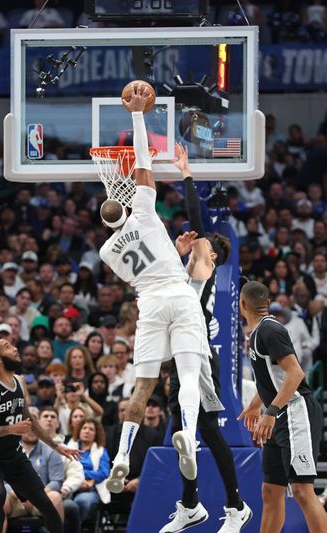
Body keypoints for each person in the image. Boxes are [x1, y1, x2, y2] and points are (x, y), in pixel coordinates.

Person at [100, 85, 218, 494]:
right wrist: (137, 114)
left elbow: (142, 259)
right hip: (179, 294)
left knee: (143, 386)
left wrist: (171, 249)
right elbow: (144, 162)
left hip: (148, 302)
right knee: (186, 373)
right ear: (127, 203)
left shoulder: (105, 251)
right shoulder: (145, 209)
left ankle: (120, 456)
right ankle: (187, 431)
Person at [160, 143, 251, 533]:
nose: (195, 241)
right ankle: (197, 504)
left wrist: (186, 175)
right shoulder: (186, 268)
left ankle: (231, 506)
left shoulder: (205, 268)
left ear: (212, 255)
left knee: (203, 430)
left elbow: (196, 220)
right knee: (192, 431)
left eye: (202, 244)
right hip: (181, 353)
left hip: (196, 356)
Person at [0, 333, 80, 533]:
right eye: (8, 346)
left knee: (47, 505)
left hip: (13, 455)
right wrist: (10, 429)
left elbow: (30, 420)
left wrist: (56, 445)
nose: (15, 348)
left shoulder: (19, 381)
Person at [237, 281, 327, 533]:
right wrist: (256, 405)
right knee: (270, 489)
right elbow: (273, 378)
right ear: (266, 302)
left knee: (301, 490)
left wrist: (271, 410)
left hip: (296, 412)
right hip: (279, 415)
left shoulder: (269, 330)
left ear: (242, 305)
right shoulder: (256, 333)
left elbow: (295, 373)